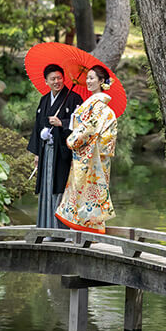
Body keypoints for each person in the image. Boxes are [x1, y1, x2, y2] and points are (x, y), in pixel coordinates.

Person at [55, 65, 117, 234]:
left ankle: (88, 230)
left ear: (101, 81)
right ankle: (88, 229)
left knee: (88, 191)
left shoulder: (97, 105)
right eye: (87, 78)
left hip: (91, 155)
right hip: (92, 154)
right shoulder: (96, 104)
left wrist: (72, 139)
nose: (88, 81)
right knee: (91, 192)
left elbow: (89, 129)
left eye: (92, 78)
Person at [27, 64, 83, 230]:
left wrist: (63, 123)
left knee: (61, 189)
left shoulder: (74, 99)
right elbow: (38, 126)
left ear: (63, 78)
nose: (57, 81)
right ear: (46, 81)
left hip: (63, 153)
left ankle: (61, 229)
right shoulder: (44, 100)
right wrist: (37, 152)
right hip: (46, 152)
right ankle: (46, 227)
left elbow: (81, 124)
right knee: (47, 188)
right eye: (53, 79)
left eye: (59, 78)